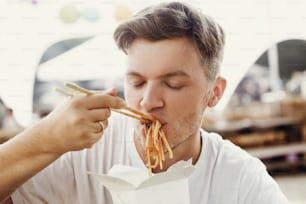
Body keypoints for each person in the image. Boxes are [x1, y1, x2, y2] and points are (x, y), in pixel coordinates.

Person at [4, 1, 287, 204]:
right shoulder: (82, 149)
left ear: (214, 92)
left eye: (173, 84)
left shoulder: (238, 177)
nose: (147, 102)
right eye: (137, 82)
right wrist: (45, 138)